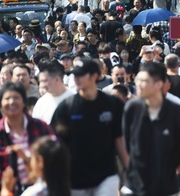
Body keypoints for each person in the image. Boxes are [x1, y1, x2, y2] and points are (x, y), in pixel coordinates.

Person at [51, 57, 128, 196]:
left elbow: (119, 139)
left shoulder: (113, 104)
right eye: (75, 75)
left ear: (94, 76)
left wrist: (130, 169)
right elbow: (57, 145)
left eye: (81, 74)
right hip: (75, 178)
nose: (77, 78)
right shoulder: (66, 108)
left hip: (106, 175)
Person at [122, 61, 180, 196]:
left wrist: (166, 167)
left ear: (158, 84)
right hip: (136, 182)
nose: (138, 85)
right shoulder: (132, 109)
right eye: (138, 80)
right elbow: (128, 143)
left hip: (165, 183)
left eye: (144, 81)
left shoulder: (176, 111)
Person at [0, 83, 54, 196]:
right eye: (7, 98)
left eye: (16, 97)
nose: (11, 102)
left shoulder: (40, 127)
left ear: (24, 102)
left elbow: (55, 158)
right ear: (0, 104)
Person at [0, 136, 71, 196]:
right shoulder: (63, 189)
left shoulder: (33, 193)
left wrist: (5, 190)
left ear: (40, 161)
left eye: (31, 158)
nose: (30, 162)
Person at [32, 60, 74, 125]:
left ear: (57, 80)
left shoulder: (74, 98)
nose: (42, 85)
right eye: (40, 82)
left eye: (45, 81)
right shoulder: (41, 102)